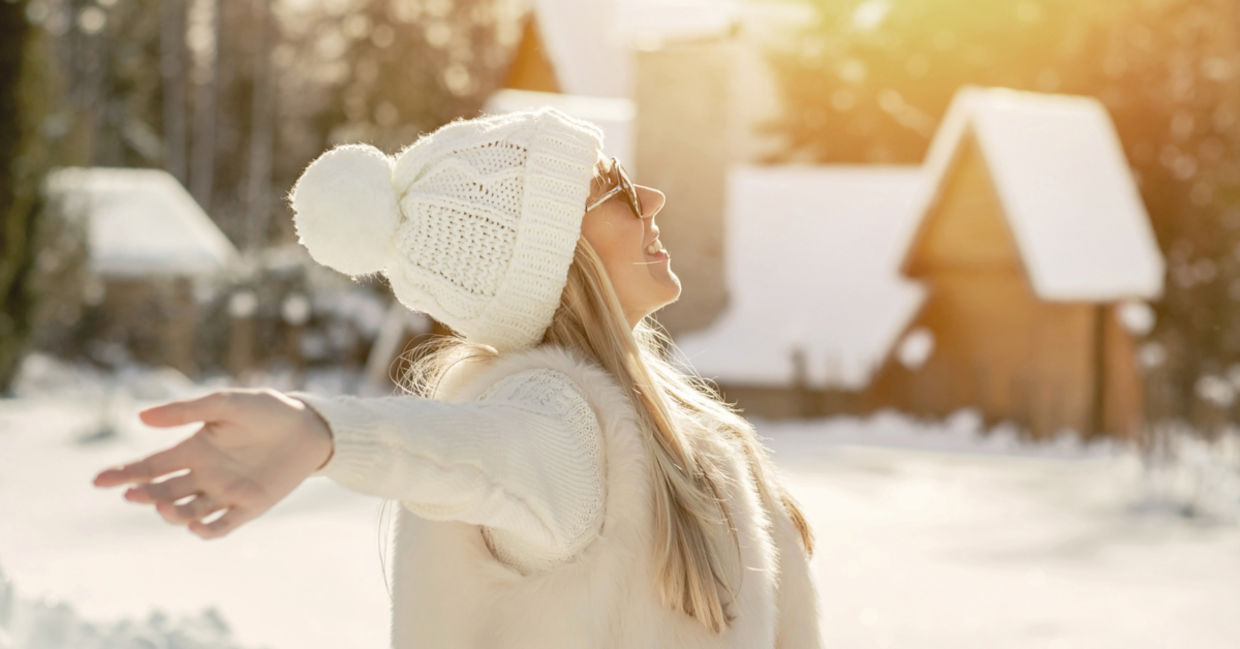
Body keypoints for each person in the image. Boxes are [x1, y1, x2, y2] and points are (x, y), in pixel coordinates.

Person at [92, 107, 822, 647]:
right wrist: (327, 434)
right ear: (555, 257)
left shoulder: (687, 428)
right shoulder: (562, 417)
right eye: (618, 193)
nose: (652, 202)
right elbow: (482, 455)